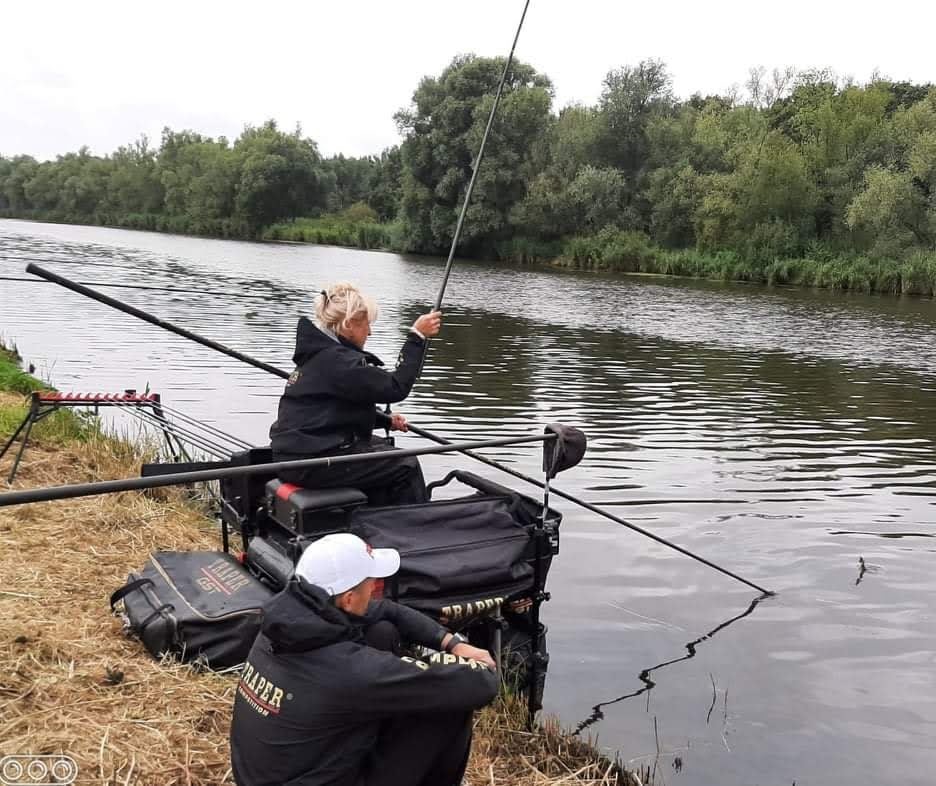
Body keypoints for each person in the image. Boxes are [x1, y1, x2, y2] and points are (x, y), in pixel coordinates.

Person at [230, 533, 498, 786]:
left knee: (381, 632)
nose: (374, 590)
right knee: (449, 704)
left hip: (270, 773)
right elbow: (481, 684)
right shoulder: (350, 671)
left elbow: (387, 610)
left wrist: (450, 642)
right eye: (371, 584)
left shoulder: (285, 624)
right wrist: (469, 664)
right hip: (310, 776)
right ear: (348, 599)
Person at [269, 282, 442, 506]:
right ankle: (417, 521)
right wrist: (416, 336)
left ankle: (376, 515)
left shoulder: (318, 354)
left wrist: (385, 420)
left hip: (292, 458)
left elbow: (329, 409)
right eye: (367, 324)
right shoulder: (339, 362)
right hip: (309, 464)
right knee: (405, 464)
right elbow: (395, 387)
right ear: (350, 324)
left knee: (380, 446)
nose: (369, 332)